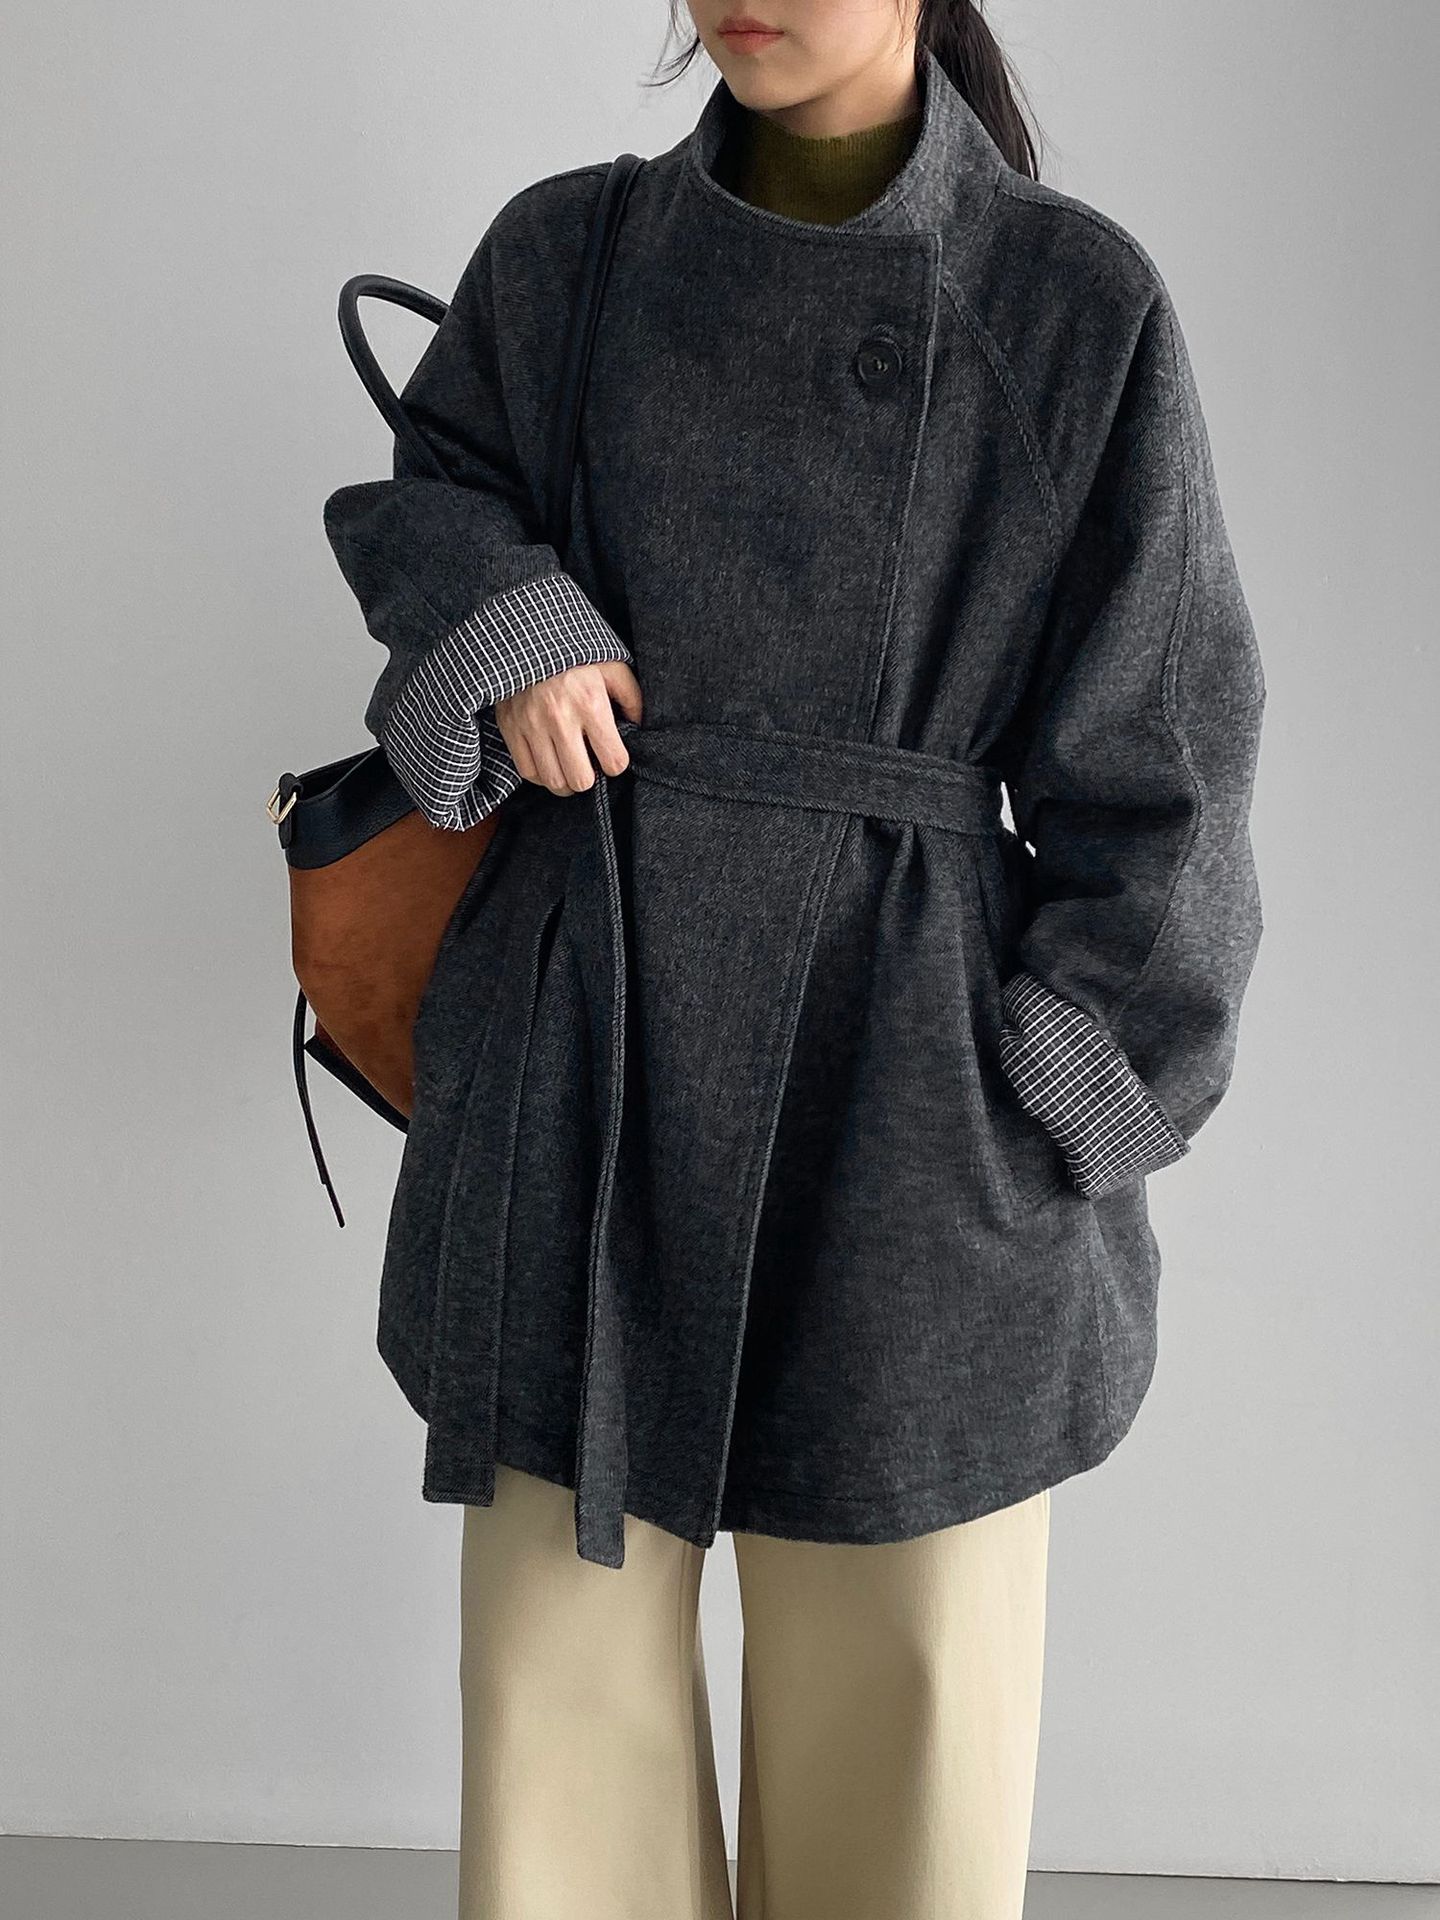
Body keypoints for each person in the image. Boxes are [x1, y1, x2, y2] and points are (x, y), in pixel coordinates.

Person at [320, 3, 1266, 1914]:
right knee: (562, 1722)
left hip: (906, 1080)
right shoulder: (568, 251)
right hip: (587, 1036)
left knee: (903, 1728)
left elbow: (1168, 740)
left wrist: (1060, 1087)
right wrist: (508, 623)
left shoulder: (1067, 301)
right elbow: (427, 493)